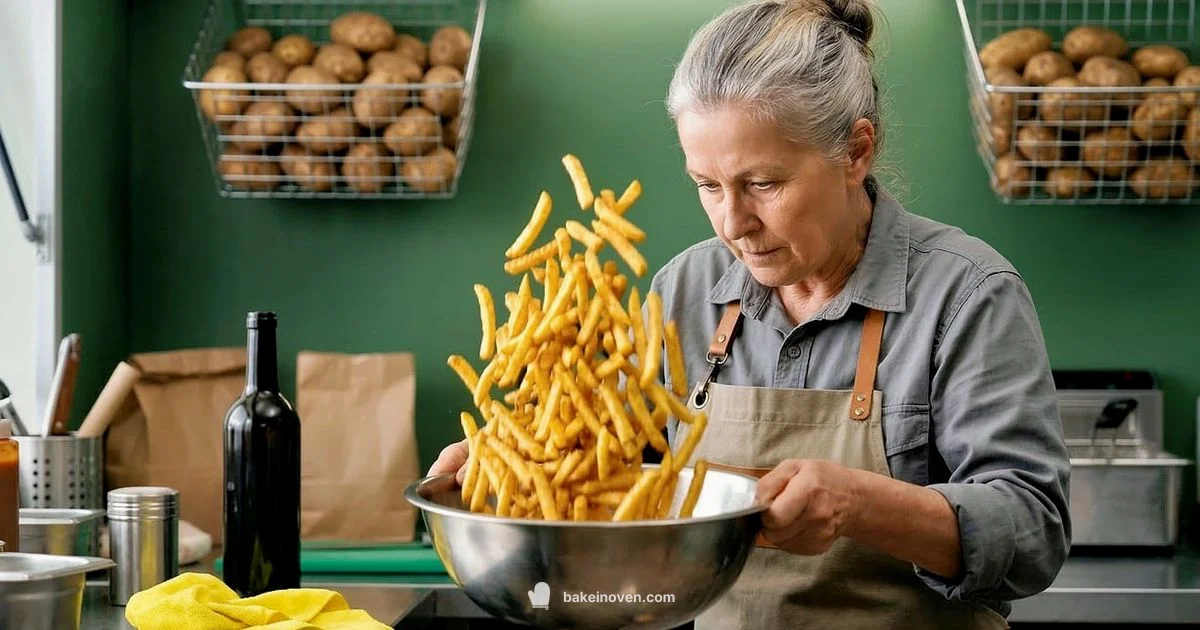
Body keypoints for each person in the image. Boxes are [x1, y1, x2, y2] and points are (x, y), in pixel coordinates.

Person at [428, 0, 1072, 628]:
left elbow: (1032, 533)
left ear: (856, 151)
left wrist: (858, 504)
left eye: (763, 183)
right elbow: (612, 479)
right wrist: (512, 466)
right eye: (708, 185)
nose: (733, 224)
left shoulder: (966, 293)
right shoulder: (687, 286)